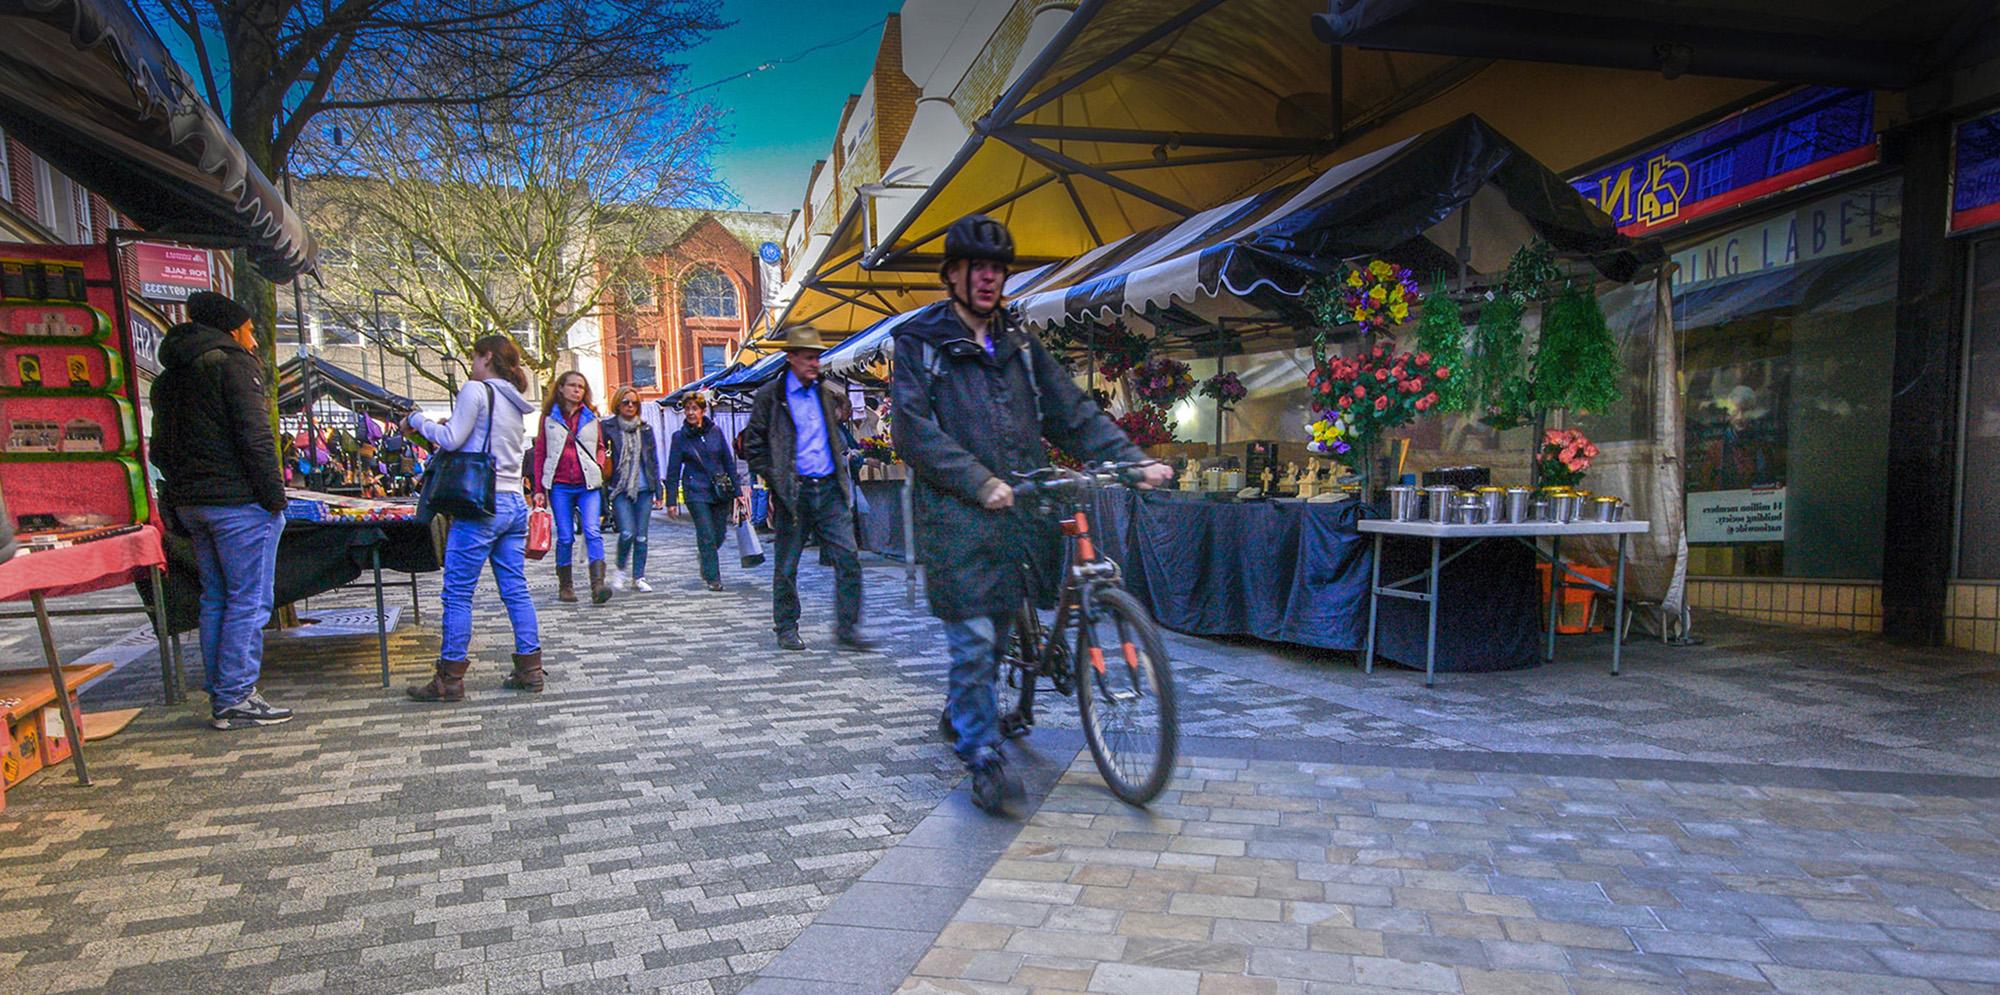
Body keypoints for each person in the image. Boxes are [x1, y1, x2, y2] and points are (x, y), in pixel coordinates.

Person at [892, 214, 1173, 813]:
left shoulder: (1019, 343)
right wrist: (979, 480)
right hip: (958, 517)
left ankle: (970, 704)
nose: (990, 279)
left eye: (998, 269)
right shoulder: (921, 342)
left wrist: (1130, 460)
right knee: (975, 638)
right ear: (953, 275)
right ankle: (984, 758)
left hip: (1023, 509)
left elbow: (1071, 411)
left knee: (995, 632)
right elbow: (912, 431)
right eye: (978, 268)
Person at [148, 291, 294, 729]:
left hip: (194, 503)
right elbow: (256, 439)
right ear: (233, 330)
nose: (253, 341)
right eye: (250, 332)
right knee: (248, 601)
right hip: (238, 502)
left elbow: (160, 448)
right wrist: (274, 499)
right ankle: (235, 694)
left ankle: (222, 689)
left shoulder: (169, 377)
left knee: (216, 598)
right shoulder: (233, 366)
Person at [403, 335, 543, 699]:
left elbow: (450, 439)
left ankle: (449, 679)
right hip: (514, 503)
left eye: (474, 357)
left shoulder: (476, 391)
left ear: (488, 357)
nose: (471, 364)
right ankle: (530, 669)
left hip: (480, 504)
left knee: (458, 594)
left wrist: (419, 420)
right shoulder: (516, 402)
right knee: (515, 590)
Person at [745, 326, 880, 652]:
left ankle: (847, 628)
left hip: (829, 488)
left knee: (849, 558)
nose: (814, 364)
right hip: (794, 492)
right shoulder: (771, 396)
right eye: (808, 357)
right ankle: (787, 627)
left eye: (817, 357)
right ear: (791, 358)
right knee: (787, 565)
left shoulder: (822, 392)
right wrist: (775, 477)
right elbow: (753, 445)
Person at [529, 371, 614, 604]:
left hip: (588, 484)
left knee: (592, 531)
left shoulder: (591, 416)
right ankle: (565, 585)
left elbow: (599, 446)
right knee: (565, 536)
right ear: (561, 388)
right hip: (560, 485)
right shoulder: (548, 417)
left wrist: (599, 463)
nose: (578, 390)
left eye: (582, 387)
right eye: (573, 386)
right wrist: (538, 488)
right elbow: (540, 453)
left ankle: (598, 585)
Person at [664, 393, 749, 591]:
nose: (691, 413)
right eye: (687, 409)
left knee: (719, 534)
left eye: (694, 409)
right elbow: (673, 469)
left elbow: (728, 461)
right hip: (695, 491)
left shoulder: (716, 432)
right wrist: (670, 501)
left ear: (703, 411)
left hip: (719, 490)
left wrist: (737, 491)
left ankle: (705, 556)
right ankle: (713, 578)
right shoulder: (679, 437)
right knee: (706, 534)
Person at [603, 386, 663, 593]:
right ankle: (620, 569)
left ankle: (638, 576)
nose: (630, 406)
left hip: (645, 488)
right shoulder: (607, 427)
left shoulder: (645, 429)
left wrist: (659, 491)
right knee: (627, 532)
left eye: (634, 403)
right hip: (620, 488)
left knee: (642, 536)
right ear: (617, 404)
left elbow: (653, 461)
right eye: (626, 402)